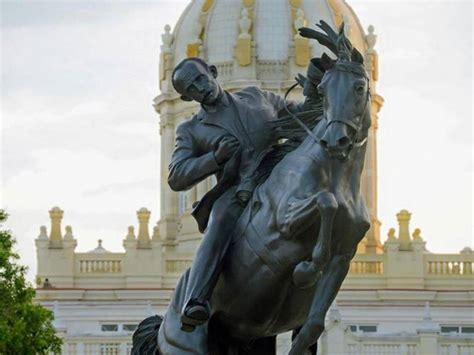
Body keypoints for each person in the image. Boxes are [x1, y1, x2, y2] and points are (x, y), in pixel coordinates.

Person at [168, 57, 315, 332]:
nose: (201, 88)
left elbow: (301, 116)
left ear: (212, 72)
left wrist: (321, 93)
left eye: (201, 79)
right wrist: (214, 158)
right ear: (186, 96)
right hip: (238, 193)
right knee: (219, 223)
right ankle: (196, 298)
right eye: (192, 88)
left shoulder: (257, 97)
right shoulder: (191, 129)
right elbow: (177, 176)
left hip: (281, 181)